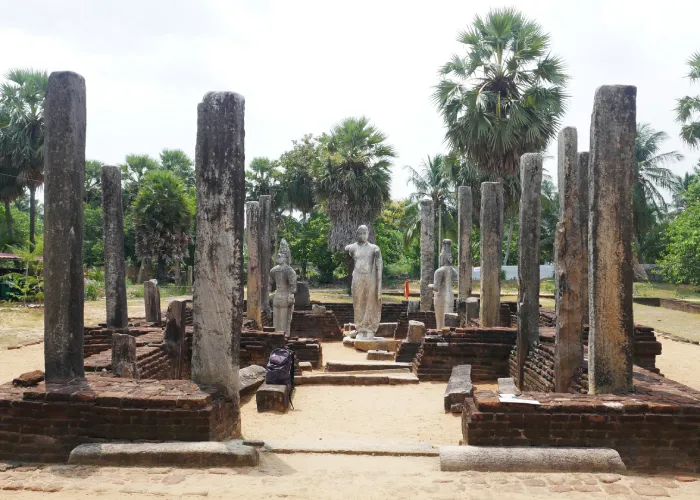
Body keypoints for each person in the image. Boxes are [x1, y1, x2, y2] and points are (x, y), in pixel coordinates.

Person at [344, 225, 383, 339]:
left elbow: (379, 267)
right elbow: (347, 248)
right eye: (360, 233)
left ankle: (369, 328)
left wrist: (379, 286)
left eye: (364, 233)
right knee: (358, 302)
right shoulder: (353, 247)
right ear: (357, 234)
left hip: (369, 278)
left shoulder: (374, 248)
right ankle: (360, 328)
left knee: (370, 302)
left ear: (368, 234)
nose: (362, 235)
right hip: (357, 277)